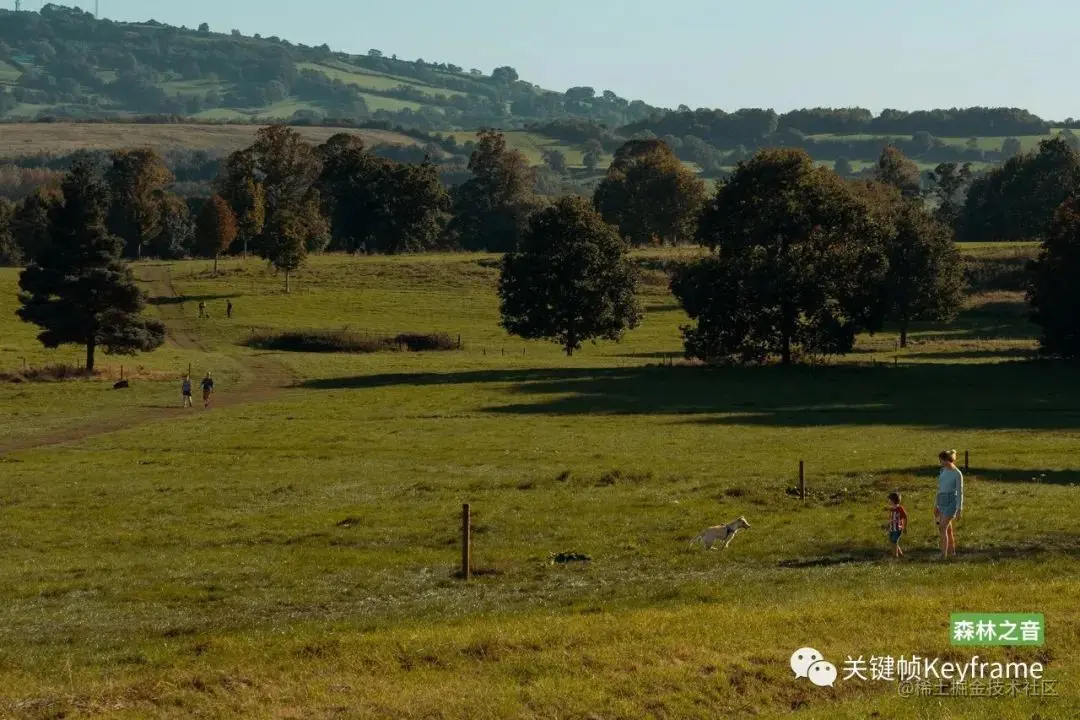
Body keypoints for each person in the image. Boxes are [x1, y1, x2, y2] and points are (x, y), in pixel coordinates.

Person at [935, 449, 964, 559]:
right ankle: (952, 552)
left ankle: (944, 555)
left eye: (941, 460)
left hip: (952, 501)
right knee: (948, 529)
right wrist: (936, 505)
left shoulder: (957, 473)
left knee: (942, 527)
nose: (940, 463)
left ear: (946, 460)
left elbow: (960, 492)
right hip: (942, 500)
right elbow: (940, 488)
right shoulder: (942, 471)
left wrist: (959, 509)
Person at [886, 492, 907, 558]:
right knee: (892, 541)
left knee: (894, 541)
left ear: (893, 500)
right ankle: (900, 554)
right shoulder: (891, 509)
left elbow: (905, 517)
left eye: (889, 499)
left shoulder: (900, 509)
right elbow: (890, 518)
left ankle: (895, 556)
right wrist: (888, 525)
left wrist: (904, 527)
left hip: (898, 528)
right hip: (892, 528)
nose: (888, 501)